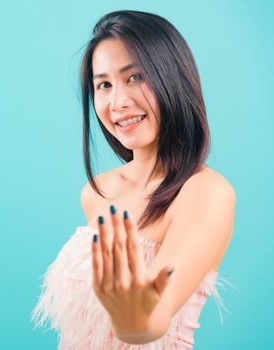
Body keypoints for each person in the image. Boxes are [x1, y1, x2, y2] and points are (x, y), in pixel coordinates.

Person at [31, 10, 236, 349]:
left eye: (136, 77)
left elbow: (154, 316)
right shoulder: (97, 193)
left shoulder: (205, 192)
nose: (118, 102)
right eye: (104, 85)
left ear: (173, 78)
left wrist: (133, 320)